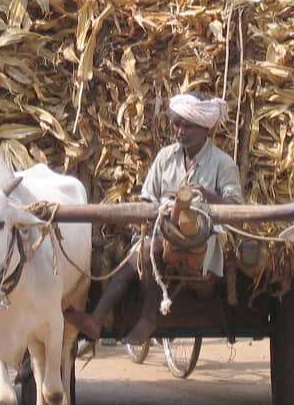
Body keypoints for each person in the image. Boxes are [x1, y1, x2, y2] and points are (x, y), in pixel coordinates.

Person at [64, 91, 244, 345]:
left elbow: (236, 209)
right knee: (141, 248)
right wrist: (161, 210)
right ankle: (96, 320)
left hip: (205, 241)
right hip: (163, 231)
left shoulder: (222, 163)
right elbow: (148, 200)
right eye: (177, 124)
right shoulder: (165, 157)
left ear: (205, 128)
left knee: (150, 247)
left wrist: (205, 195)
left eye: (188, 126)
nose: (181, 131)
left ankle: (147, 318)